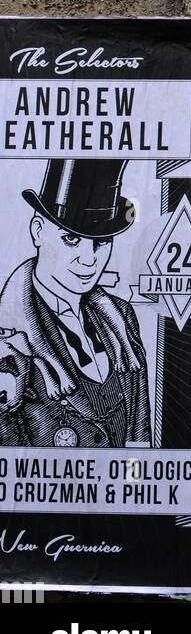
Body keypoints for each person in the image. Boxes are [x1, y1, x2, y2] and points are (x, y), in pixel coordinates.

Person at [0, 159, 151, 448]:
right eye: (71, 238)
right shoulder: (6, 334)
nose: (88, 259)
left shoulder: (120, 317)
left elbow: (139, 435)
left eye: (101, 241)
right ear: (38, 231)